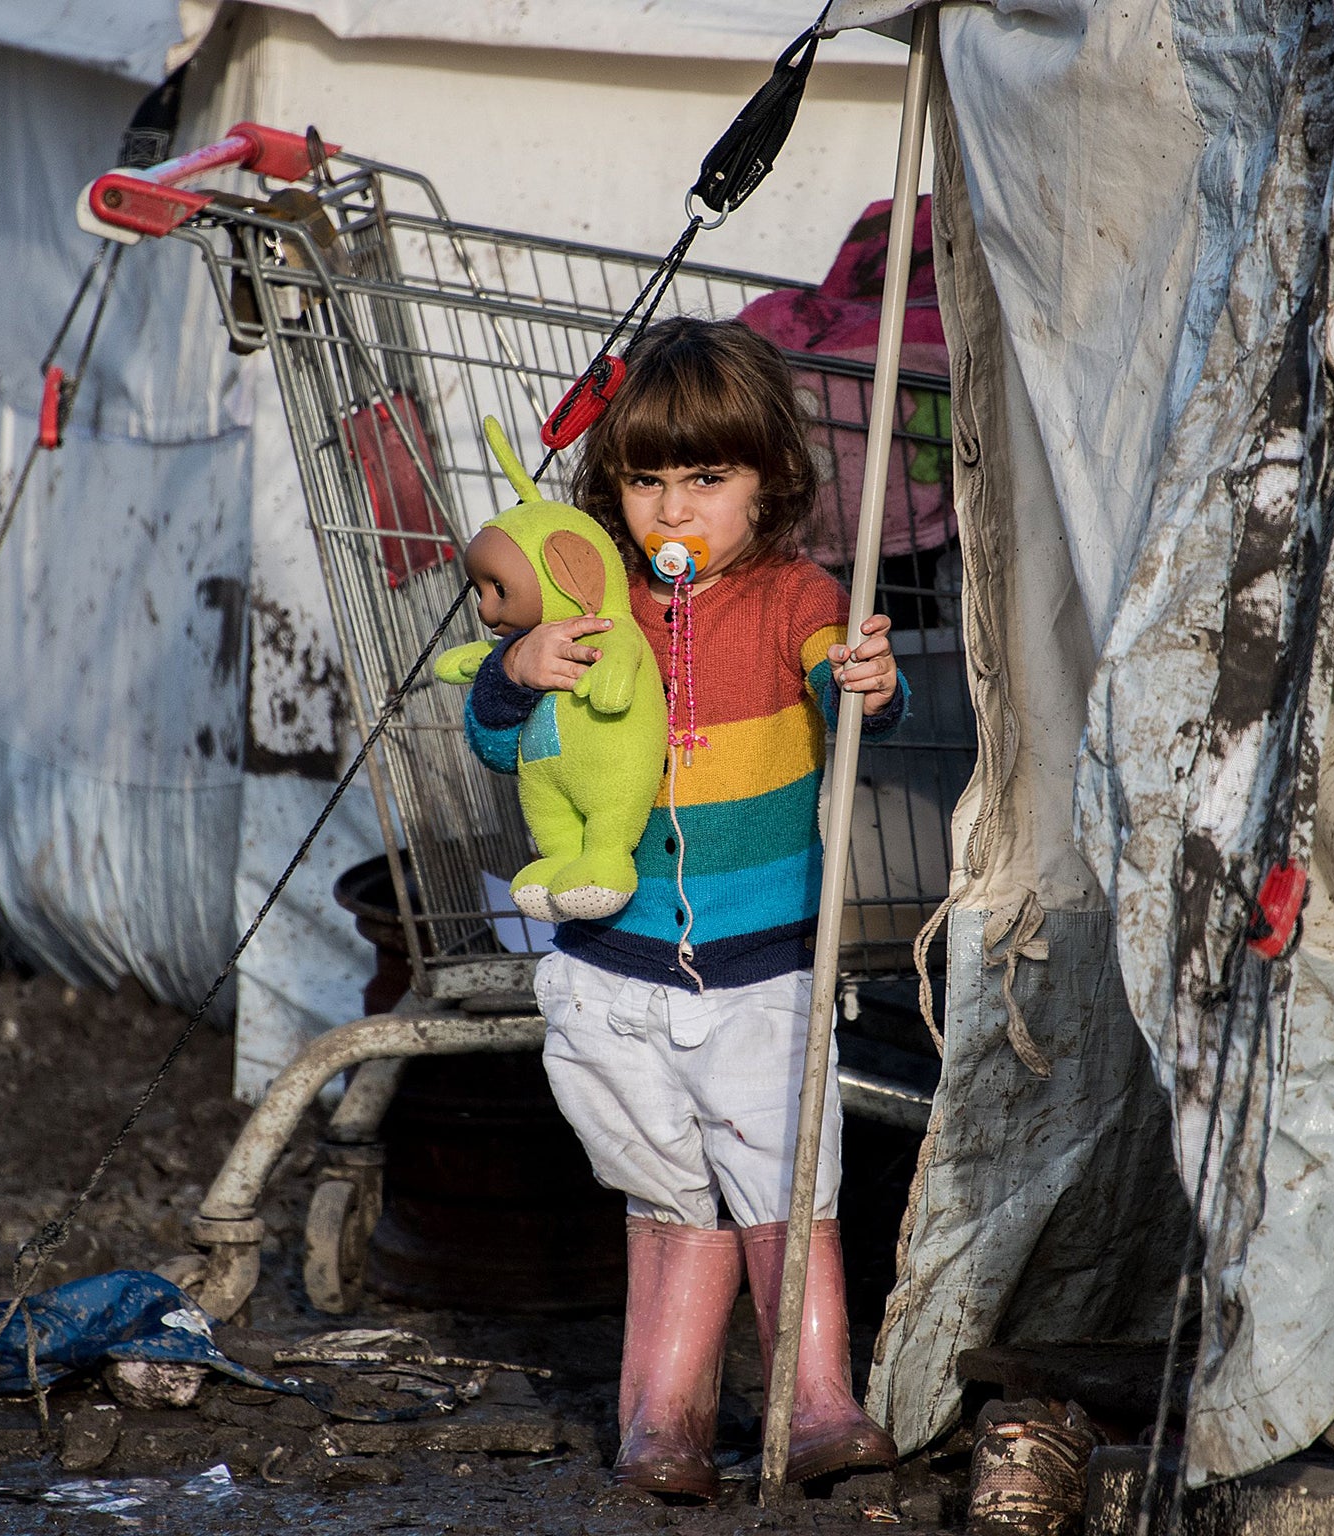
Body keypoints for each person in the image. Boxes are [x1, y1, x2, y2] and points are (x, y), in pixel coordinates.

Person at [462, 317, 906, 1498]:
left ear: (771, 483)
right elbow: (492, 742)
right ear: (609, 492)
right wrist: (518, 674)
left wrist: (865, 676)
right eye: (646, 480)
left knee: (782, 1178)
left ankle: (816, 1402)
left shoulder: (793, 593)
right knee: (661, 1188)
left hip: (761, 964)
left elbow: (843, 678)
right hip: (612, 959)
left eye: (707, 479)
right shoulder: (591, 602)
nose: (673, 509)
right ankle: (661, 1422)